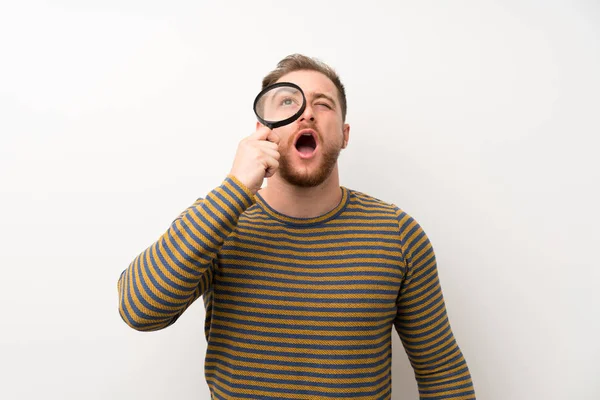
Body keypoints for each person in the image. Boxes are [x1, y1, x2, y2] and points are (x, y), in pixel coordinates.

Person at [117, 54, 476, 399]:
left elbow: (441, 372)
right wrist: (236, 187)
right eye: (288, 103)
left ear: (345, 134)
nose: (306, 113)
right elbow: (139, 309)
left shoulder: (397, 234)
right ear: (263, 131)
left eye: (323, 104)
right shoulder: (218, 221)